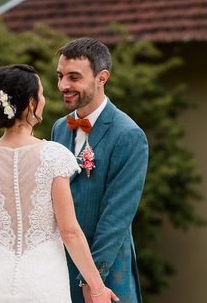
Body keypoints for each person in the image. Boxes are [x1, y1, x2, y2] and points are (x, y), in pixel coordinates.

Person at [0, 64, 118, 303]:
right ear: (32, 104)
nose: (44, 99)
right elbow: (70, 232)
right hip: (43, 277)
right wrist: (97, 289)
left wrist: (8, 230)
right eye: (42, 94)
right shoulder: (53, 156)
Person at [52, 38, 148, 303]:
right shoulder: (60, 128)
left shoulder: (128, 135)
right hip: (59, 267)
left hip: (105, 271)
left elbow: (117, 217)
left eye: (74, 77)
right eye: (60, 76)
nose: (63, 86)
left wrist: (91, 280)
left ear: (101, 78)